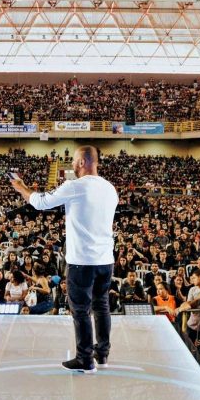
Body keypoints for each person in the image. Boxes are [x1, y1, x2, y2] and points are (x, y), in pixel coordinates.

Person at [11, 145, 118, 373]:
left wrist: (21, 187)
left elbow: (40, 202)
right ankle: (103, 354)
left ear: (81, 162)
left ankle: (85, 359)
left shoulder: (75, 186)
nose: (72, 164)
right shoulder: (110, 189)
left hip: (82, 261)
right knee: (101, 306)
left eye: (74, 161)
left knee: (80, 310)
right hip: (106, 260)